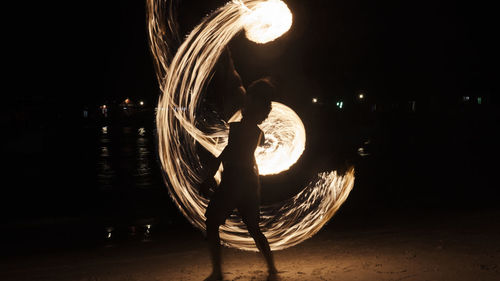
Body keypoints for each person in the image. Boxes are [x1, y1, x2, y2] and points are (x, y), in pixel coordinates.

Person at [201, 50, 278, 281]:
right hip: (250, 183)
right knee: (253, 228)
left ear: (251, 105)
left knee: (212, 222)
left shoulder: (238, 129)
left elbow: (227, 153)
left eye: (248, 101)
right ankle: (272, 269)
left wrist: (210, 176)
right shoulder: (258, 132)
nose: (243, 103)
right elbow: (247, 149)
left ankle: (217, 272)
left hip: (235, 181)